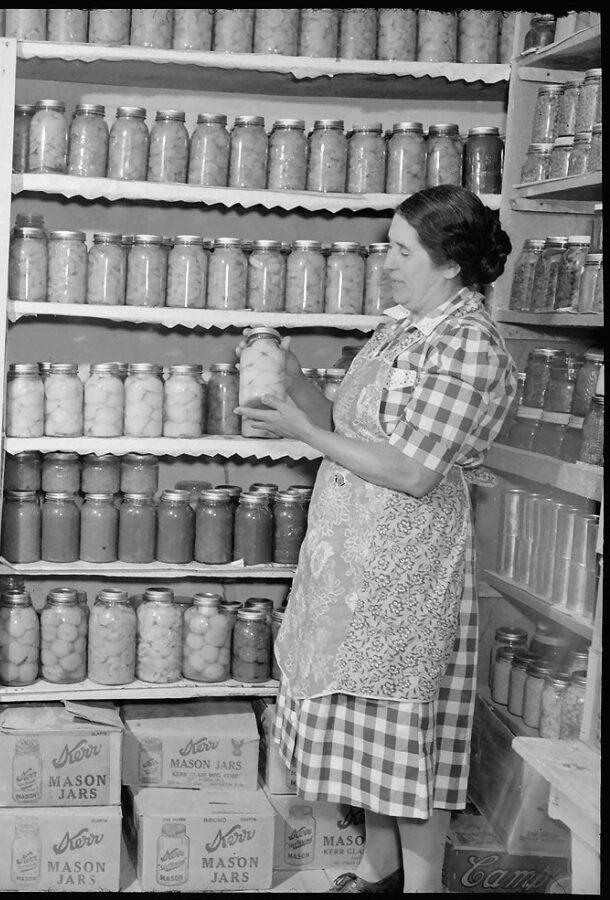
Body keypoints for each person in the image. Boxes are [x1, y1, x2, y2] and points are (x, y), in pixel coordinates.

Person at [236, 185, 516, 894]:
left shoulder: (468, 346)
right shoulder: (402, 329)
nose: (384, 263)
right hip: (352, 554)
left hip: (407, 563)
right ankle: (375, 870)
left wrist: (304, 434)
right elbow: (352, 423)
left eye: (401, 251)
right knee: (367, 739)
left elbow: (413, 470)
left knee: (404, 743)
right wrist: (296, 386)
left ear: (450, 264)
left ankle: (417, 889)